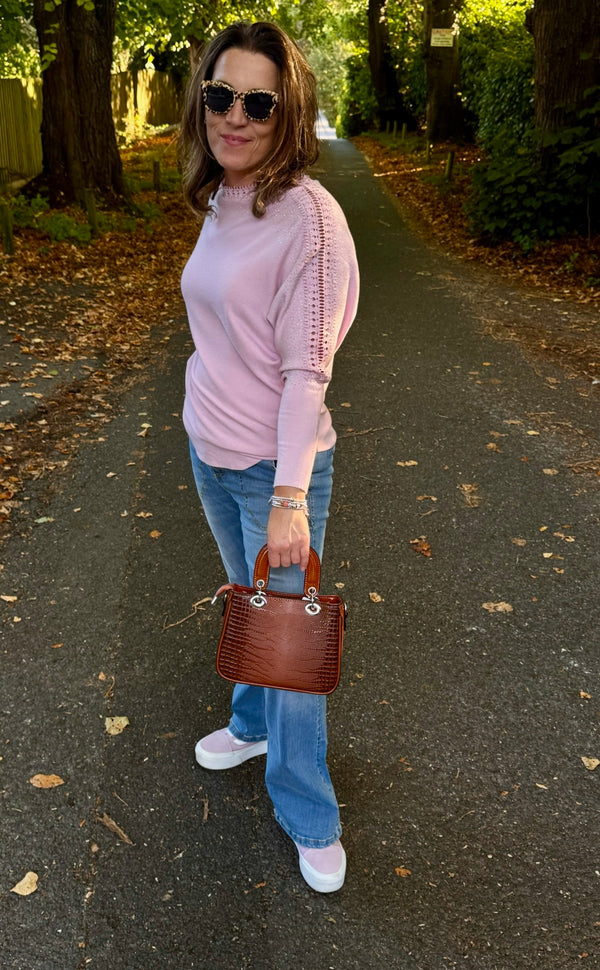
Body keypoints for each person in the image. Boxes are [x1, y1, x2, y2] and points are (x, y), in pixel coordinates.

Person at [179, 20, 359, 893]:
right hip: (209, 448)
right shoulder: (224, 195)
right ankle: (250, 726)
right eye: (222, 95)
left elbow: (306, 372)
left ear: (288, 112)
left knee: (289, 645)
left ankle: (309, 810)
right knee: (247, 598)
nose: (235, 116)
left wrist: (289, 497)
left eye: (259, 102)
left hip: (271, 470)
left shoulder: (310, 219)